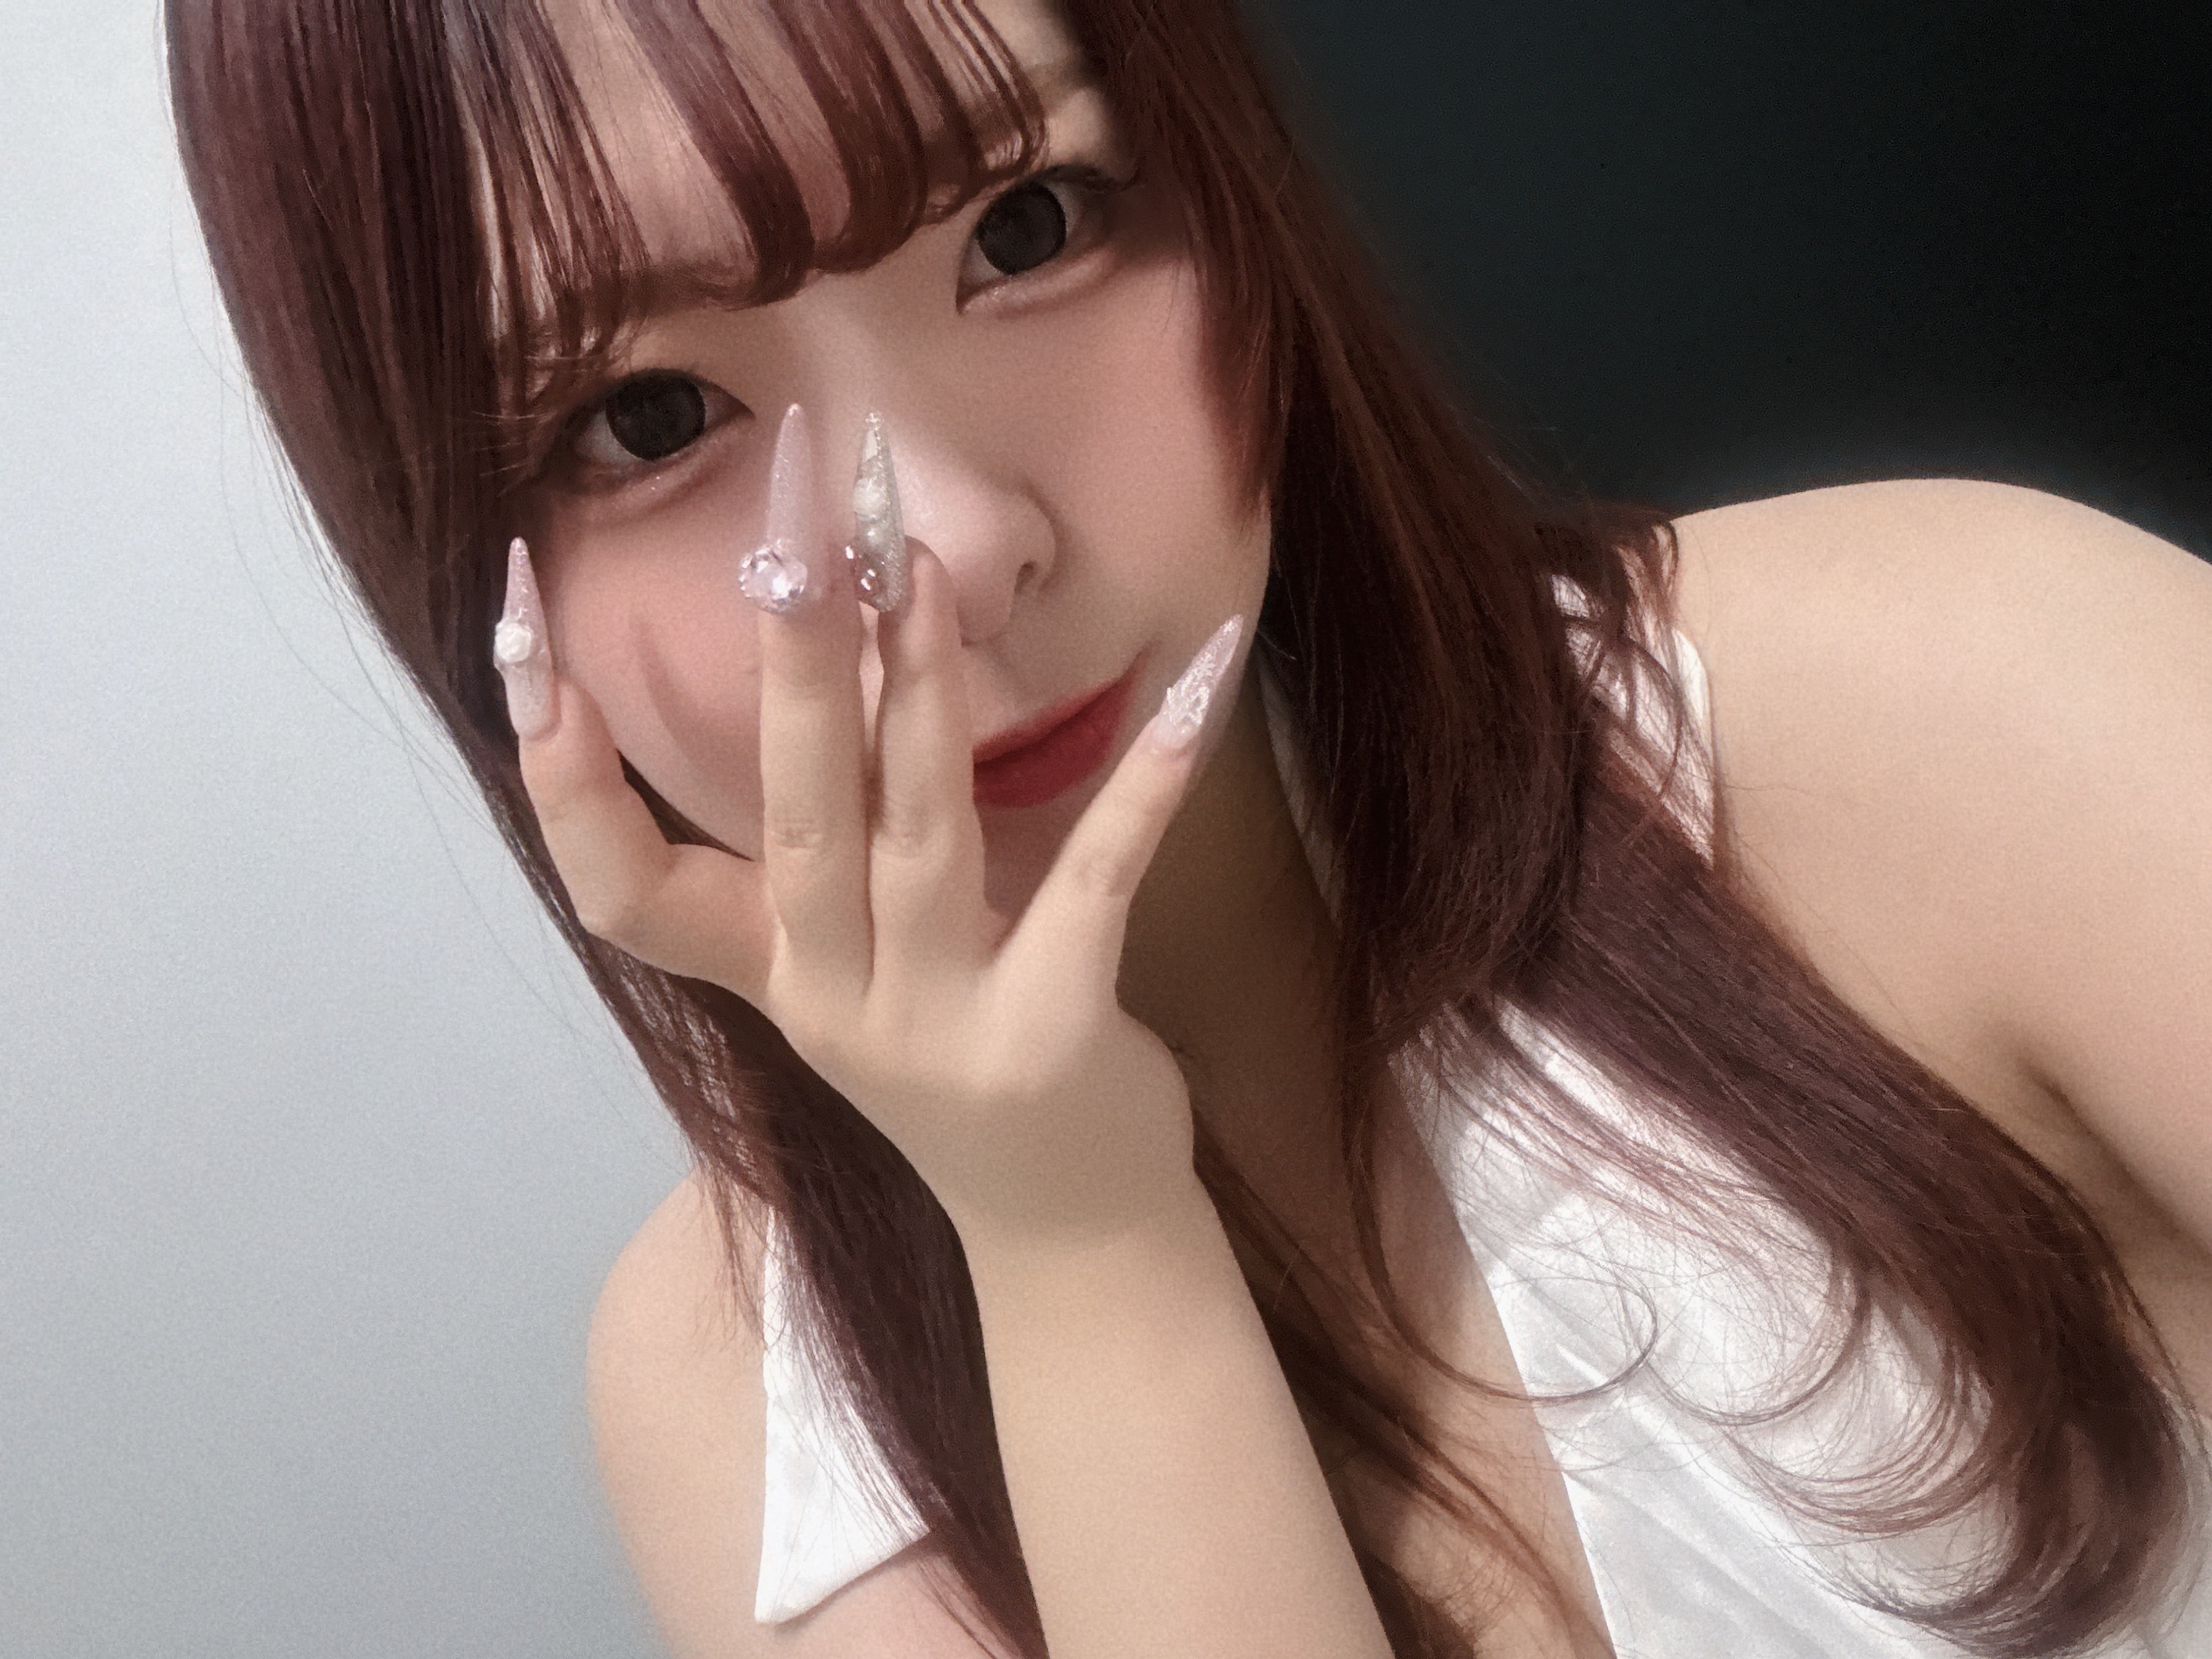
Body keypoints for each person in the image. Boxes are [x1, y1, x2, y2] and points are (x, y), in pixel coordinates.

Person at [166, 1, 2210, 1654]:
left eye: (1027, 228)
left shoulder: (1933, 700)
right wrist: (1076, 1241)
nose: (956, 547)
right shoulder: (736, 1395)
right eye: (647, 419)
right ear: (469, 567)